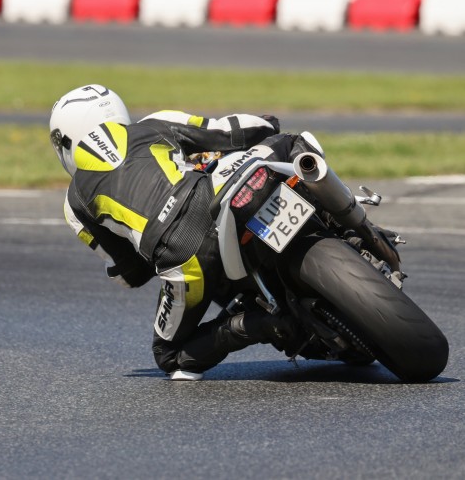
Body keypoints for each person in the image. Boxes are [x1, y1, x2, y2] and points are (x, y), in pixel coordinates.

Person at [49, 84, 323, 381]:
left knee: (169, 356)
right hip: (210, 199)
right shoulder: (153, 124)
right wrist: (268, 123)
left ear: (63, 141)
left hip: (183, 259)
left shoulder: (73, 204)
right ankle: (346, 215)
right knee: (293, 142)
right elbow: (228, 131)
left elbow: (132, 273)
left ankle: (260, 323)